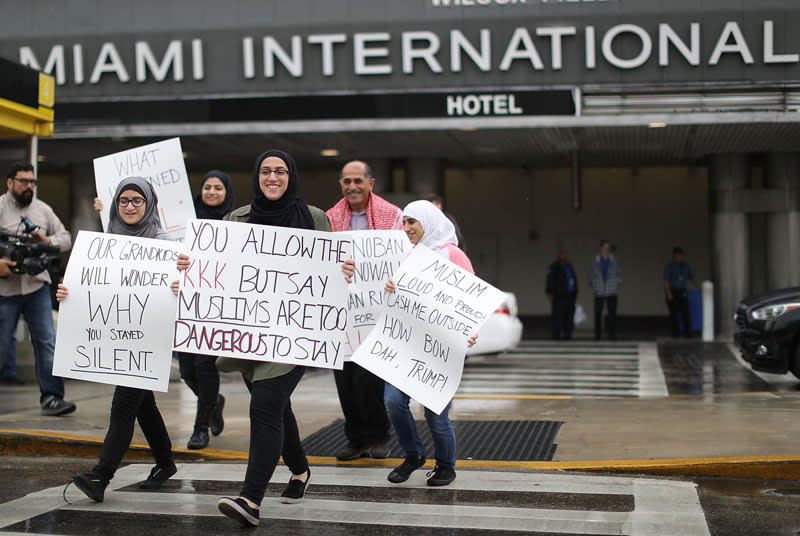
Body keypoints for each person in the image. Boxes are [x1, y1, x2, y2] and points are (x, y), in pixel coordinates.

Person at [183, 150, 354, 527]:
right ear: (256, 176)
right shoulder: (237, 219)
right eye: (265, 171)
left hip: (295, 336)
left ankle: (251, 499)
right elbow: (217, 271)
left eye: (280, 171)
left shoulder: (314, 219)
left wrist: (344, 270)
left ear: (290, 176)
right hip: (249, 335)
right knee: (276, 406)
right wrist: (191, 266)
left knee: (264, 404)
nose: (272, 177)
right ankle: (300, 469)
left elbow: (329, 277)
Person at [57, 177, 176, 502]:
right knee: (143, 405)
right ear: (115, 206)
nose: (130, 206)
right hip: (120, 340)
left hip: (149, 338)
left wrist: (182, 283)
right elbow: (90, 288)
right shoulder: (105, 244)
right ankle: (165, 464)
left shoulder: (166, 245)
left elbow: (189, 289)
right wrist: (68, 293)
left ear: (149, 203)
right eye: (123, 201)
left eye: (137, 200)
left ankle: (101, 475)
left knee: (123, 406)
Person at [383, 200, 478, 488]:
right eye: (405, 222)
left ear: (429, 221)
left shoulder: (452, 254)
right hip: (407, 343)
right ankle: (413, 454)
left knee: (436, 413)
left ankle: (446, 466)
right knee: (393, 402)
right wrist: (391, 289)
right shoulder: (405, 255)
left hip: (440, 348)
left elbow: (470, 298)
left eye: (413, 221)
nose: (407, 227)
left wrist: (469, 330)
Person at [326, 160, 402, 461]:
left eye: (358, 180)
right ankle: (355, 438)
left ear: (371, 183)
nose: (352, 186)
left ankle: (379, 437)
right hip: (343, 313)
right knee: (344, 379)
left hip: (377, 313)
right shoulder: (330, 219)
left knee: (370, 379)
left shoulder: (392, 217)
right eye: (346, 181)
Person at [0, 162, 75, 414]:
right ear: (10, 183)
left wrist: (46, 241)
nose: (29, 186)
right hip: (5, 289)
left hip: (36, 287)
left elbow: (66, 239)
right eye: (24, 181)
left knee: (46, 342)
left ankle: (52, 398)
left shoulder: (43, 210)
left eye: (32, 182)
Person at [178, 170, 234, 449]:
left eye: (218, 188)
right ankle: (213, 401)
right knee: (186, 369)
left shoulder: (235, 223)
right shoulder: (184, 222)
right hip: (186, 303)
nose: (212, 192)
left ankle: (200, 428)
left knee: (204, 364)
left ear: (227, 193)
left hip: (217, 306)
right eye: (207, 187)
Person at [589, 240, 622, 340]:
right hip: (599, 291)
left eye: (608, 247)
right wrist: (595, 287)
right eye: (605, 247)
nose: (607, 249)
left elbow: (619, 275)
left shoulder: (614, 261)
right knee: (598, 314)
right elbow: (591, 275)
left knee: (612, 314)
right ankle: (597, 335)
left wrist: (615, 285)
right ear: (601, 248)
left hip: (611, 291)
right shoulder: (596, 261)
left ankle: (612, 335)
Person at [664, 247, 700, 338]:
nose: (678, 257)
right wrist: (669, 293)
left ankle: (688, 334)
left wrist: (700, 288)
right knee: (674, 314)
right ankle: (675, 334)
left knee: (685, 313)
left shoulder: (685, 266)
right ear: (674, 256)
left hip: (682, 292)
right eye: (677, 256)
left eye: (680, 256)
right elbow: (666, 280)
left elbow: (692, 278)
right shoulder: (670, 266)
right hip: (673, 291)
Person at [546, 248, 578, 340]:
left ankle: (568, 334)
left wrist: (575, 292)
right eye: (562, 254)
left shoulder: (569, 265)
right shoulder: (554, 267)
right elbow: (550, 280)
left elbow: (573, 279)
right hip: (559, 296)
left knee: (569, 316)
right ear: (559, 255)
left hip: (570, 295)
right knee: (558, 316)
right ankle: (556, 335)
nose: (564, 256)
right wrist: (549, 292)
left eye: (565, 254)